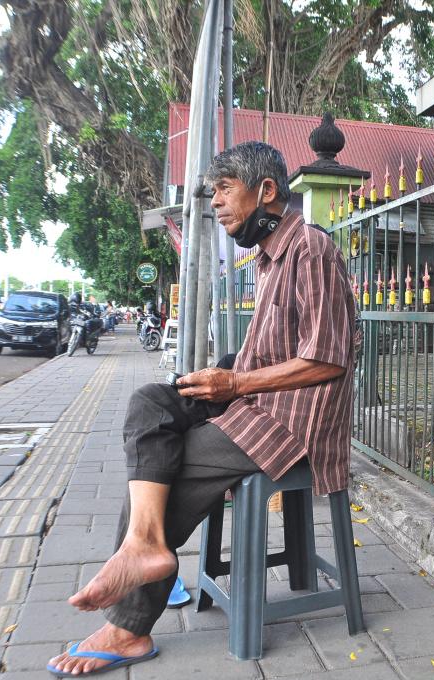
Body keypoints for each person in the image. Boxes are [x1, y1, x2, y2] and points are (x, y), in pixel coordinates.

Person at [46, 141, 357, 676]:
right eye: (213, 191)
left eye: (225, 189)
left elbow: (325, 360)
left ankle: (128, 630)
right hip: (253, 400)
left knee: (172, 464)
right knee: (151, 404)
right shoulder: (266, 258)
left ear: (266, 192)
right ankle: (143, 545)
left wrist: (234, 382)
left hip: (290, 422)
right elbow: (276, 347)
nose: (215, 202)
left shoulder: (311, 249)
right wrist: (220, 377)